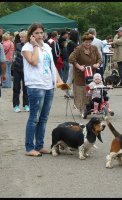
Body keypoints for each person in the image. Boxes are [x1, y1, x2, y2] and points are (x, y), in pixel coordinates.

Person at [21, 23, 63, 157]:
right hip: (35, 85)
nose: (40, 35)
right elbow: (33, 61)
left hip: (48, 85)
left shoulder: (47, 47)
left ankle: (39, 146)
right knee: (34, 118)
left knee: (44, 118)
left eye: (41, 33)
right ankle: (29, 147)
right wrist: (34, 45)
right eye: (37, 33)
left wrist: (59, 79)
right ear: (31, 34)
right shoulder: (27, 47)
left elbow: (52, 65)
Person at [69, 32, 101, 118]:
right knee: (81, 93)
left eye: (89, 42)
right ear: (83, 41)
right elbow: (71, 58)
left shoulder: (94, 48)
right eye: (86, 42)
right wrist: (79, 66)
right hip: (80, 76)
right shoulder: (78, 49)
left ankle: (90, 108)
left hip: (91, 76)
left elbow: (99, 59)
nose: (88, 44)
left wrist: (97, 64)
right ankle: (81, 109)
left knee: (90, 92)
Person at [12, 30, 29, 113]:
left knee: (26, 88)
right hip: (17, 69)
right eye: (20, 37)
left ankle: (26, 104)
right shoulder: (17, 45)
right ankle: (15, 105)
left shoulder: (30, 46)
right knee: (16, 88)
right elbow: (14, 56)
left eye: (23, 37)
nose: (21, 38)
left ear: (27, 37)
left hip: (26, 70)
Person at [65, 29, 79, 97]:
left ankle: (69, 91)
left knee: (71, 77)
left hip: (72, 62)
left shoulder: (72, 43)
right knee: (70, 77)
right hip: (73, 62)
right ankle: (67, 92)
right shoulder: (72, 43)